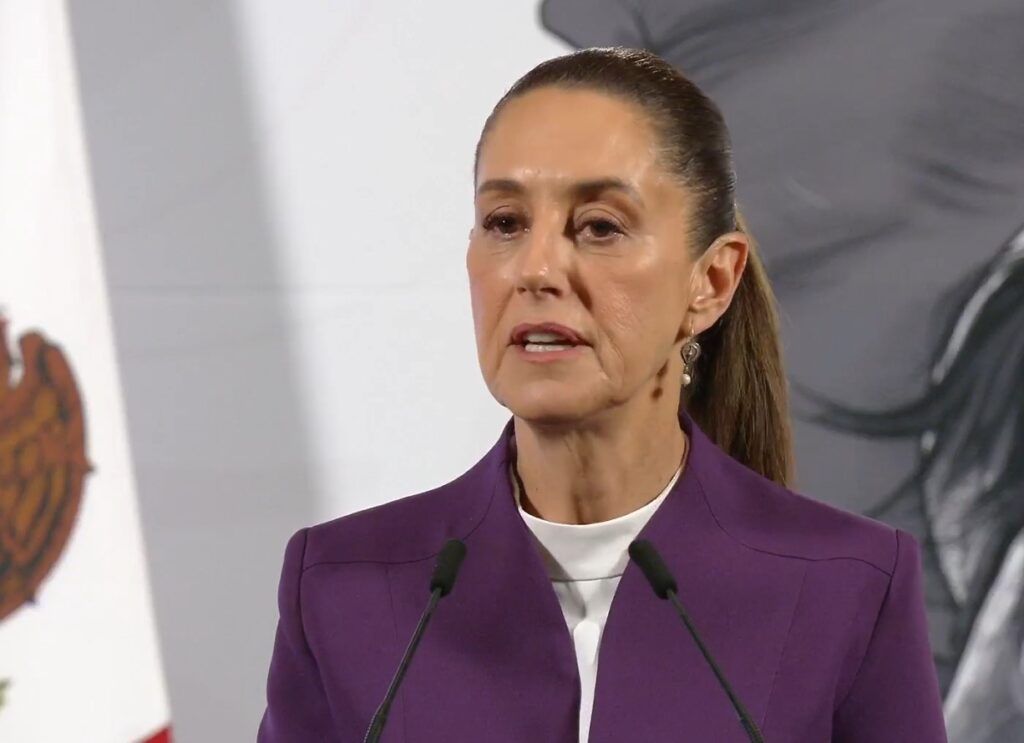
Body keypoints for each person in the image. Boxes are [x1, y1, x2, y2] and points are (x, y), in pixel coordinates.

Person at [257, 47, 947, 742]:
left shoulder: (847, 584)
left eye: (599, 227)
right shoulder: (342, 587)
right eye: (505, 222)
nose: (536, 269)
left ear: (711, 282)